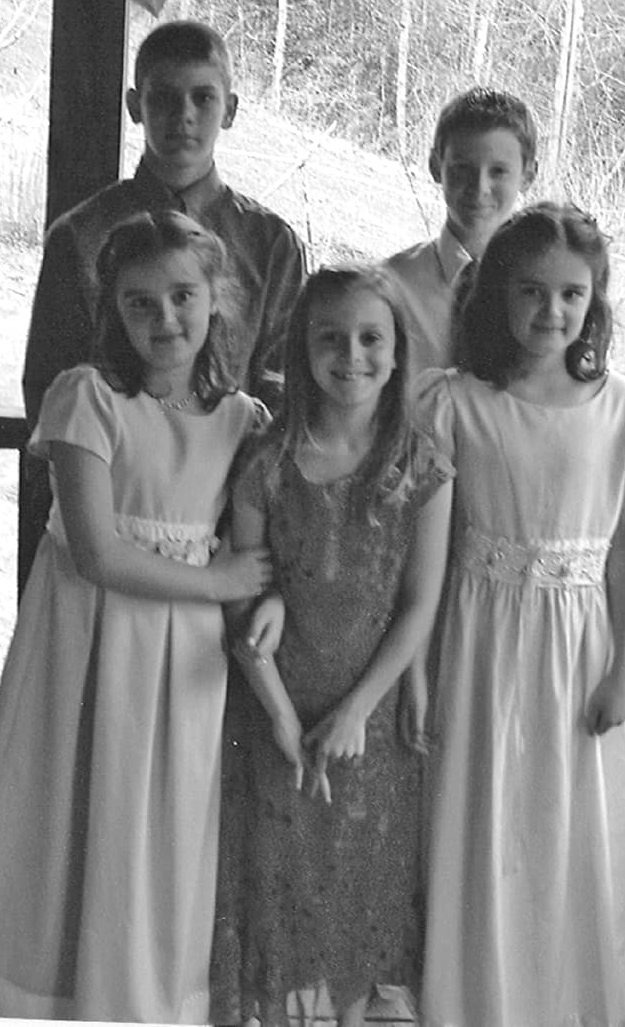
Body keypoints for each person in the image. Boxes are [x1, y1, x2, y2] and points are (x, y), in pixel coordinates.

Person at [0, 211, 272, 1022]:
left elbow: (265, 544)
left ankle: (147, 998)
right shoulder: (88, 399)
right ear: (112, 310)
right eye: (140, 303)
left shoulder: (242, 421)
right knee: (69, 816)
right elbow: (98, 553)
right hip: (88, 645)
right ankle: (50, 998)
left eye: (183, 296)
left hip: (183, 662)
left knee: (164, 827)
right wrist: (223, 580)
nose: (166, 320)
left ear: (216, 298)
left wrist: (258, 593)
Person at [415, 203, 625, 1027]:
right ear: (497, 297)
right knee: (482, 818)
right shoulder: (456, 403)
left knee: (567, 829)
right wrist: (421, 668)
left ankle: (564, 1000)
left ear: (593, 303)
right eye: (531, 292)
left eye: (571, 295)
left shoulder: (620, 408)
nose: (552, 312)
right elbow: (430, 547)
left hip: (578, 650)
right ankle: (477, 999)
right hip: (479, 640)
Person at [210, 265, 454, 1027]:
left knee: (360, 893)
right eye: (331, 339)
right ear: (302, 347)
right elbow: (246, 599)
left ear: (397, 349)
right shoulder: (267, 464)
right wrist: (281, 716)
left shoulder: (423, 466)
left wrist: (357, 713)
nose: (352, 355)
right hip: (273, 707)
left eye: (370, 338)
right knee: (278, 894)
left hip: (368, 719)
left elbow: (419, 606)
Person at [21, 19, 306, 568]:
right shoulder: (80, 236)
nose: (184, 116)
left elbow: (283, 388)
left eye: (203, 97)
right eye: (163, 98)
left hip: (228, 522)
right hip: (110, 517)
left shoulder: (270, 244)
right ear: (134, 105)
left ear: (231, 109)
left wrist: (242, 505)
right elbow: (49, 382)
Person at [386, 87, 538, 374]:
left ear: (528, 176)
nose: (479, 187)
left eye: (498, 172)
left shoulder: (545, 292)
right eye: (462, 168)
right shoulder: (391, 284)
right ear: (435, 166)